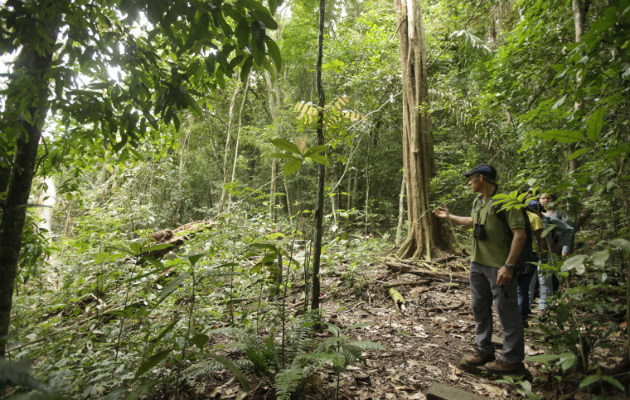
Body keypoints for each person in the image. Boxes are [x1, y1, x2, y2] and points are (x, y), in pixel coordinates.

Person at [434, 164, 526, 373]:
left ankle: (512, 360)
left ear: (482, 178)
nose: (469, 182)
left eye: (471, 178)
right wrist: (450, 217)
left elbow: (520, 235)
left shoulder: (507, 202)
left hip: (499, 267)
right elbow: (472, 222)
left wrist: (508, 265)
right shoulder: (478, 201)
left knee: (506, 311)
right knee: (479, 307)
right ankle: (484, 349)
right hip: (477, 264)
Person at [526, 200, 574, 312]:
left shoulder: (550, 221)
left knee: (545, 282)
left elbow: (569, 230)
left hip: (547, 255)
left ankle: (544, 309)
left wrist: (560, 245)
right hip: (531, 255)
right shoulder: (526, 221)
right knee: (529, 283)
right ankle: (525, 309)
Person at [517, 209, 547, 325]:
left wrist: (543, 257)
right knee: (520, 289)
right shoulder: (509, 215)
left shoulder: (533, 218)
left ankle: (521, 317)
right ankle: (520, 317)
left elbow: (541, 238)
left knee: (522, 288)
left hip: (529, 255)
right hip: (517, 255)